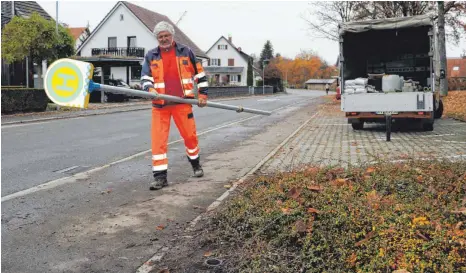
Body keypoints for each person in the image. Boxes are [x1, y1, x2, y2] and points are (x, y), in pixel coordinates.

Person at [140, 21, 209, 190]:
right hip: (160, 106)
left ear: (172, 36)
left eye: (166, 36)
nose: (163, 39)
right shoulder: (151, 56)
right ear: (157, 38)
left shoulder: (186, 52)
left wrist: (203, 95)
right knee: (158, 142)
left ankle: (196, 166)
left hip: (182, 103)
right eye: (160, 36)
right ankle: (160, 178)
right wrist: (149, 88)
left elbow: (200, 75)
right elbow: (145, 78)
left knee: (190, 137)